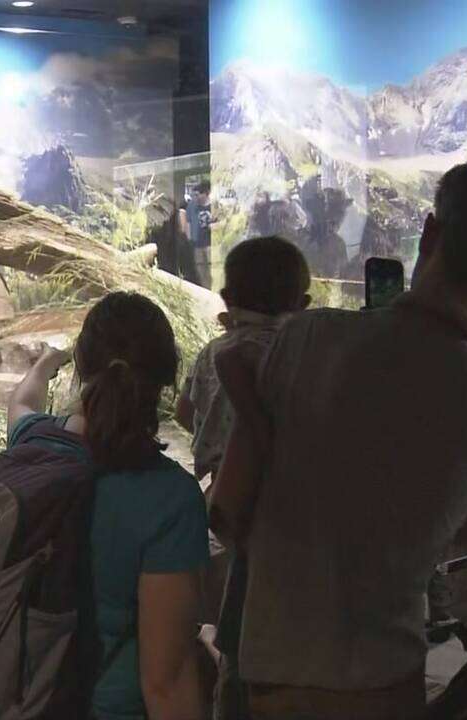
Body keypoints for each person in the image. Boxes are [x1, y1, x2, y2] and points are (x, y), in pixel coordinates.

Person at [211, 155, 467, 720]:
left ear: (429, 232)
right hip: (385, 684)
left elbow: (227, 510)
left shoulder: (305, 339)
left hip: (270, 678)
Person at [7, 292, 209, 720]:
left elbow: (21, 403)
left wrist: (46, 361)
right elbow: (165, 683)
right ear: (166, 380)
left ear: (82, 366)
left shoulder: (36, 445)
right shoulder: (170, 498)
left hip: (28, 701)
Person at [176, 235, 311, 720]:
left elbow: (184, 411)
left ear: (227, 298)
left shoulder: (215, 352)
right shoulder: (303, 358)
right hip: (285, 516)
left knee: (231, 631)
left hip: (221, 507)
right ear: (304, 304)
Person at [184, 180, 214, 289]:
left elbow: (225, 221)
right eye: (195, 195)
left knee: (212, 269)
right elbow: (188, 221)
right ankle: (207, 291)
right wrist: (189, 237)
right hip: (197, 244)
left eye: (199, 194)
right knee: (200, 270)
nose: (196, 197)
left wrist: (216, 226)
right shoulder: (192, 206)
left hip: (211, 244)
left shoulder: (215, 206)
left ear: (206, 193)